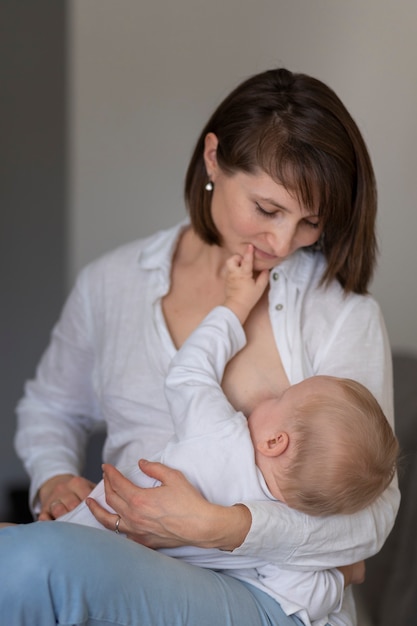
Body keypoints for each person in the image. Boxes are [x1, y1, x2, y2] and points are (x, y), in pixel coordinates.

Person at [0, 67, 400, 626]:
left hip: (268, 600)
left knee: (28, 565)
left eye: (311, 222)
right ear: (213, 158)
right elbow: (50, 409)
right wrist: (54, 477)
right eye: (266, 209)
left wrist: (219, 526)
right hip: (120, 566)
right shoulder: (112, 284)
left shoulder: (340, 315)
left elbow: (369, 520)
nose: (283, 243)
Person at [52, 245, 398, 626]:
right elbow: (305, 598)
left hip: (89, 532)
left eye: (281, 396)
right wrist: (339, 574)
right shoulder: (286, 535)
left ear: (274, 442)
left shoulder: (220, 435)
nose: (268, 395)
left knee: (26, 556)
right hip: (149, 582)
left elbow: (189, 373)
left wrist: (233, 307)